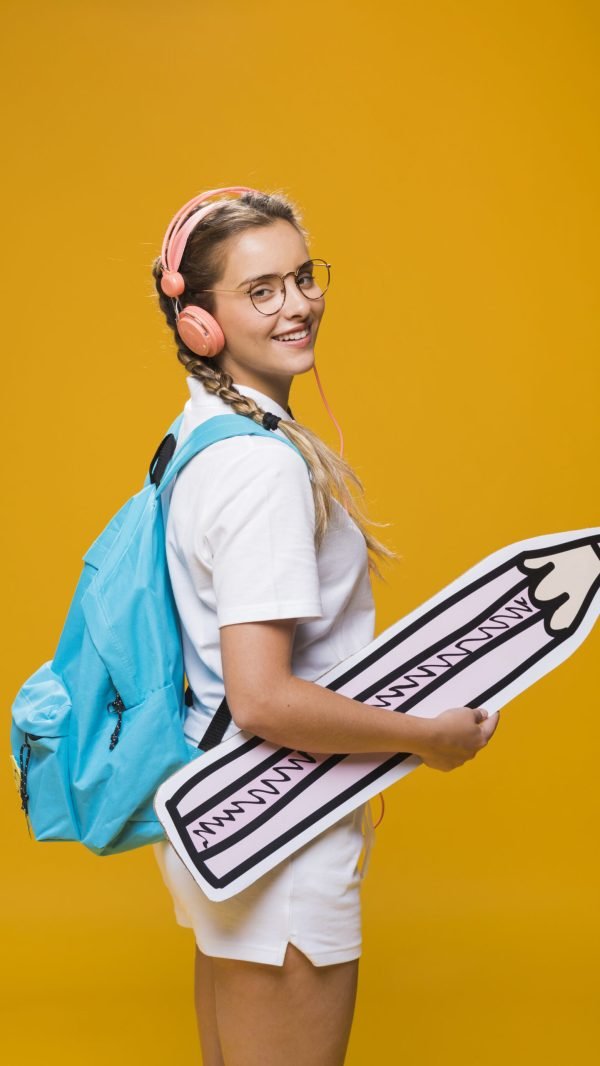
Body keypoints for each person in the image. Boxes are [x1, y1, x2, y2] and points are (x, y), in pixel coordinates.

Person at [150, 187, 499, 1066]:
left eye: (303, 277)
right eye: (261, 289)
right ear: (199, 322)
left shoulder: (197, 433)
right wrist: (427, 737)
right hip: (285, 831)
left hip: (224, 815)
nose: (299, 303)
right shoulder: (262, 472)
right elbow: (263, 698)